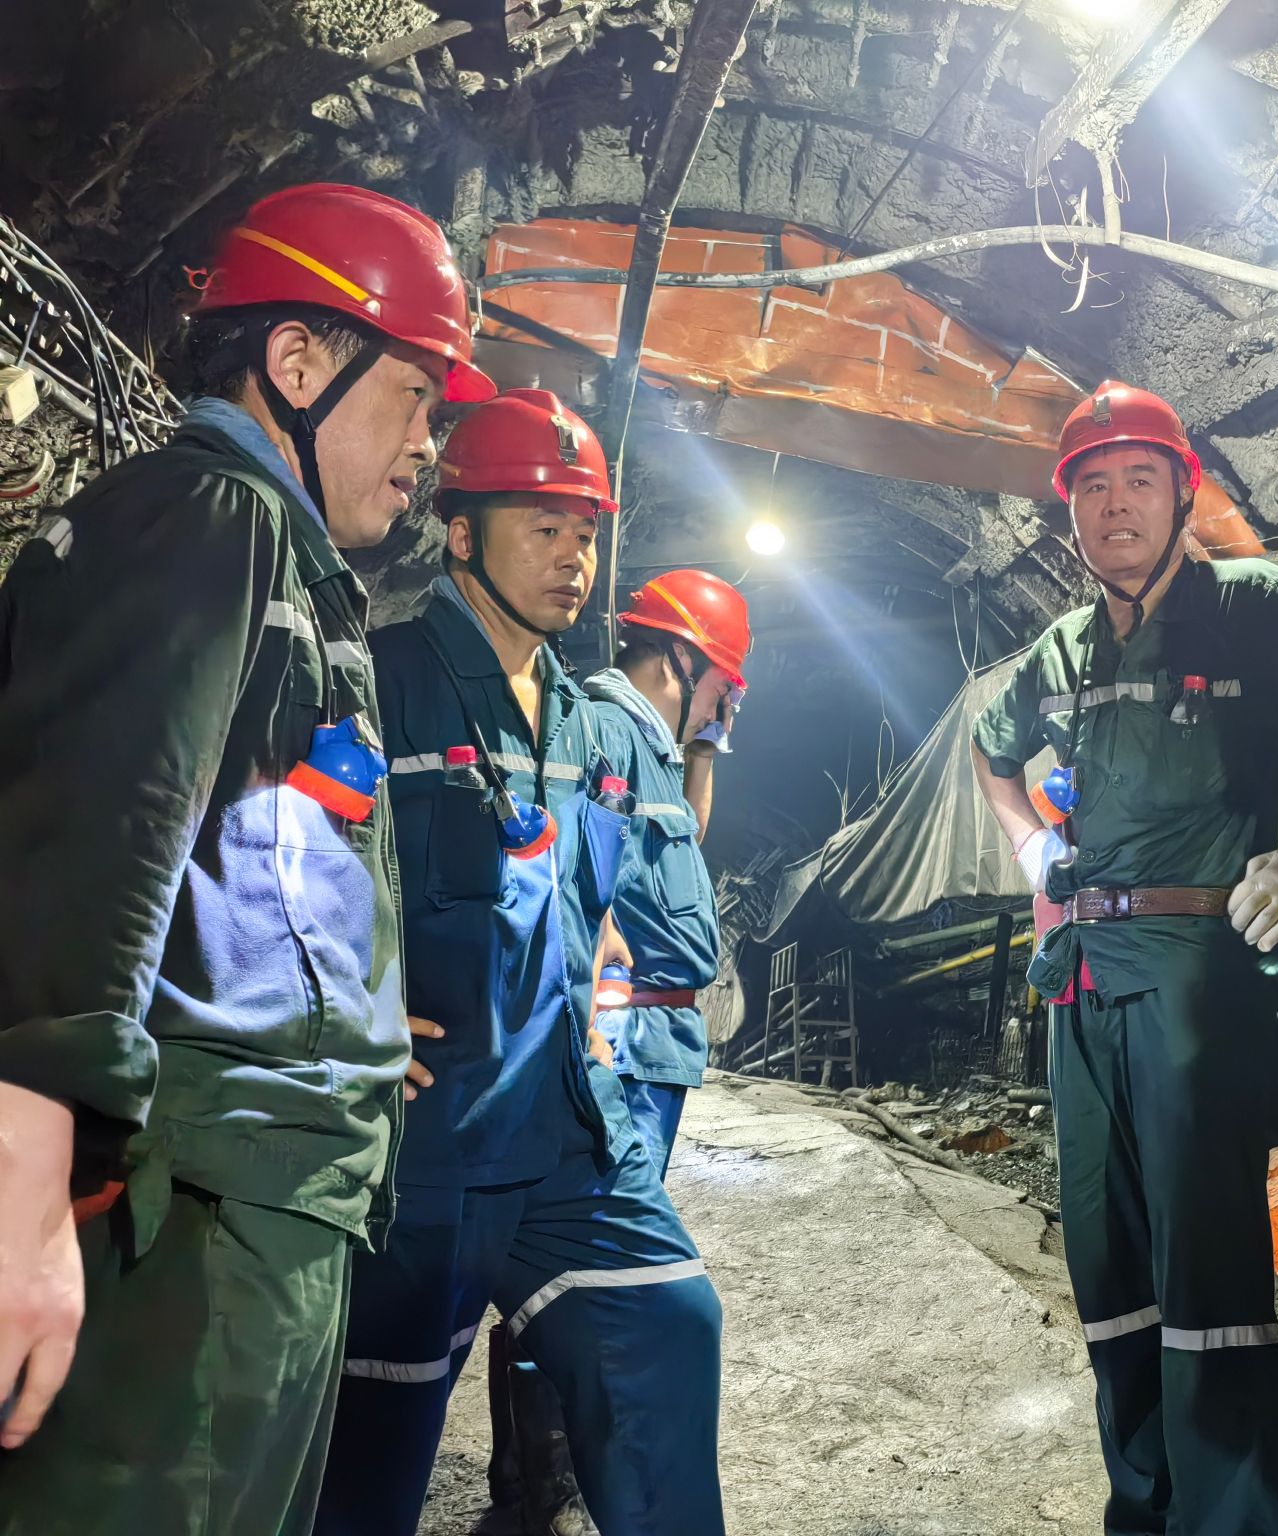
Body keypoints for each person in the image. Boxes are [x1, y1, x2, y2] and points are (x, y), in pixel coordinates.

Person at [0, 183, 490, 1535]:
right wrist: (24, 1191)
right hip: (190, 1209)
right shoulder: (209, 516)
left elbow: (253, 849)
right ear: (298, 363)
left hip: (263, 1193)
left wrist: (369, 1017)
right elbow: (101, 827)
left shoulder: (281, 561)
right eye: (415, 396)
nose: (427, 444)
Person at [970, 380, 1278, 1534]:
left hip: (1193, 981)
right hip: (1080, 978)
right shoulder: (1061, 648)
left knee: (1207, 1278)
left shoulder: (1248, 609)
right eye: (1091, 485)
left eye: (1138, 479)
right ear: (1067, 508)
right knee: (1106, 1265)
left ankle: (1228, 1522)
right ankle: (1143, 1507)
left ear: (1181, 495)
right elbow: (989, 747)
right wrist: (1028, 843)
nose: (1114, 504)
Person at [313, 389, 724, 1536]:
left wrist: (603, 991)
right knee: (368, 1463)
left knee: (670, 1323)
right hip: (428, 1148)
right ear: (460, 533)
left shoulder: (589, 724)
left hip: (562, 1136)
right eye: (543, 527)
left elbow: (611, 903)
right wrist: (340, 1008)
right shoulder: (380, 683)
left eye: (584, 532)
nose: (572, 557)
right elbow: (276, 859)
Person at [582, 568, 752, 1179]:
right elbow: (574, 860)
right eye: (721, 688)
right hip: (624, 1028)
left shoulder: (653, 750)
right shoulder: (606, 729)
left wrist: (703, 747)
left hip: (653, 1031)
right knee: (619, 1217)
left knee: (629, 1207)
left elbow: (684, 836)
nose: (723, 707)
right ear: (680, 659)